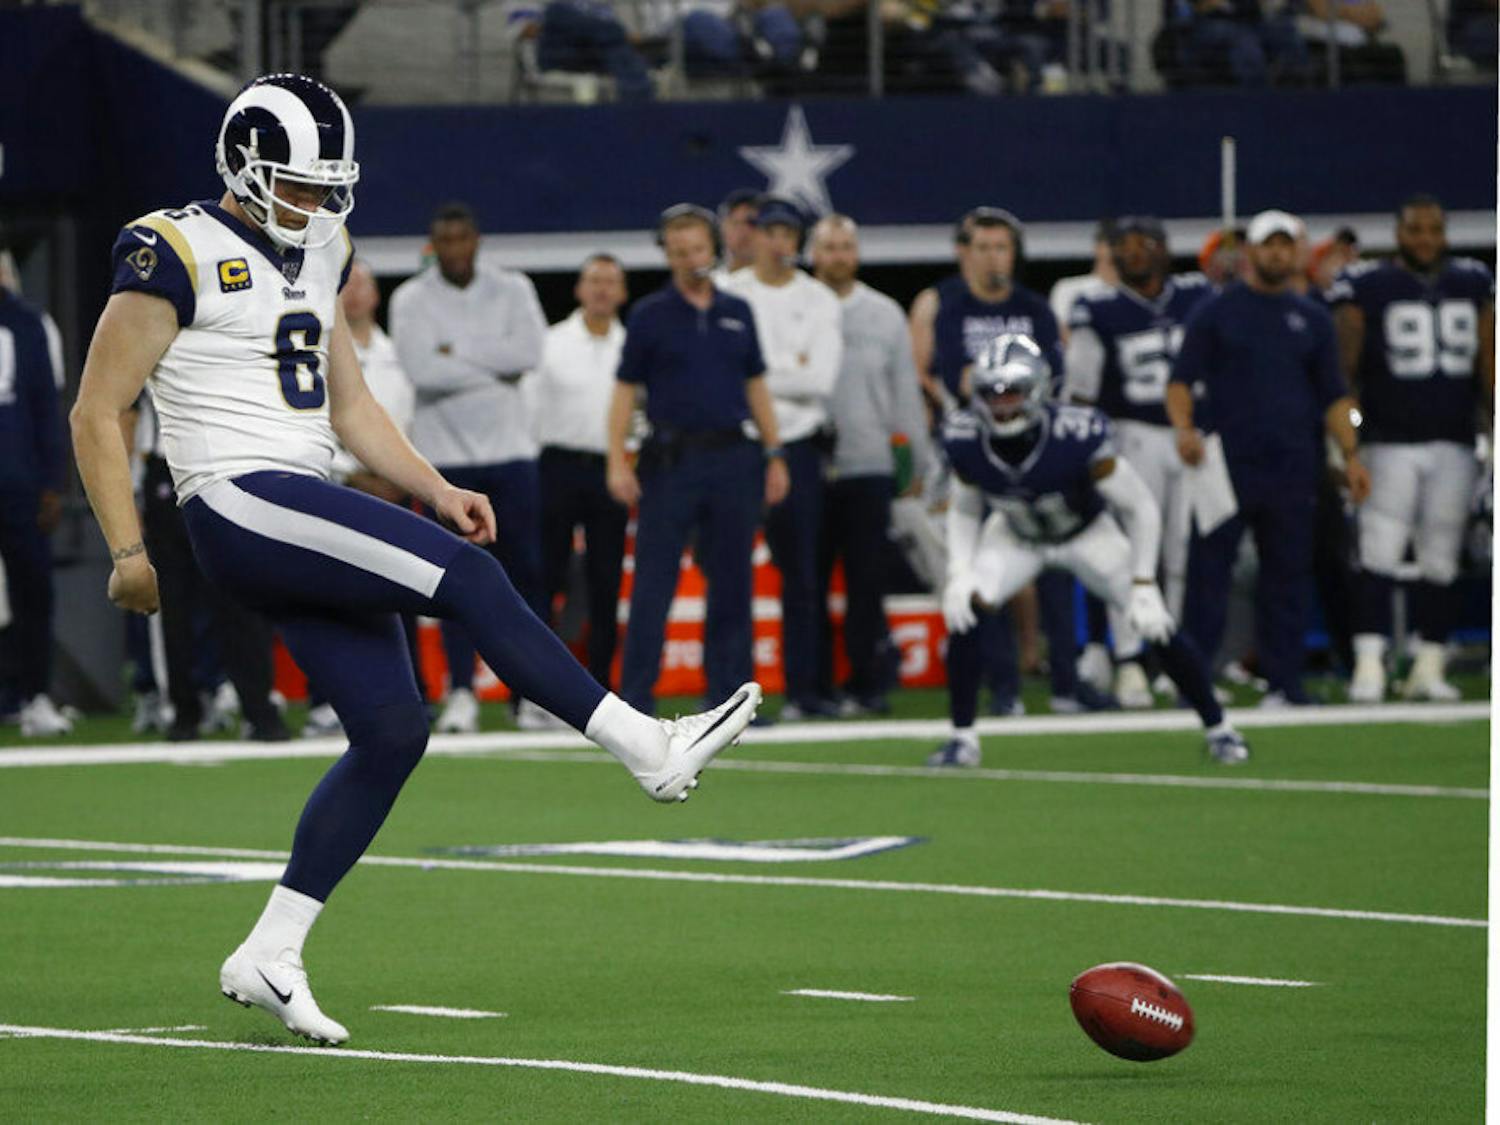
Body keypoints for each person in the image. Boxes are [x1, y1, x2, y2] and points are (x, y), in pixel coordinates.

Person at [70, 74, 762, 1048]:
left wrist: (434, 485)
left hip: (300, 492)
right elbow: (98, 408)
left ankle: (271, 950)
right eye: (294, 183)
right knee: (473, 581)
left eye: (324, 185)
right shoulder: (171, 247)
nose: (311, 203)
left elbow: (348, 404)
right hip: (236, 500)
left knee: (394, 727)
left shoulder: (321, 245)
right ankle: (644, 745)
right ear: (241, 164)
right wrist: (128, 549)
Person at [929, 334, 1249, 766]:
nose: (1002, 404)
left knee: (1154, 624)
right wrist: (960, 571)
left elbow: (1139, 508)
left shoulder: (1075, 433)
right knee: (965, 608)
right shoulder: (965, 436)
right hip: (1015, 535)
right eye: (992, 394)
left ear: (1039, 389)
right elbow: (965, 507)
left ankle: (1221, 729)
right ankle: (962, 738)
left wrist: (1142, 582)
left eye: (1012, 392)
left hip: (1086, 534)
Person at [1168, 208, 1370, 706]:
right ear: (1251, 252)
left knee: (1287, 574)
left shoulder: (1312, 318)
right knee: (1208, 574)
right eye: (1268, 244)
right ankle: (1194, 683)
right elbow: (1179, 380)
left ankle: (1285, 682)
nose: (1277, 253)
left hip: (1292, 463)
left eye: (1286, 244)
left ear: (1297, 251)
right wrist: (1184, 430)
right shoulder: (1217, 311)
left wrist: (1350, 455)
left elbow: (1334, 395)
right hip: (1226, 461)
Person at [910, 206, 1099, 714]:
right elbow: (956, 380)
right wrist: (1019, 381)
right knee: (981, 570)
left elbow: (1053, 376)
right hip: (981, 454)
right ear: (966, 253)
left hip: (1039, 452)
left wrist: (996, 382)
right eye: (985, 247)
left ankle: (1065, 683)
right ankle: (1003, 687)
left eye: (1003, 247)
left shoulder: (1035, 308)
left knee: (1059, 560)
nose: (995, 257)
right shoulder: (953, 309)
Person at [607, 203, 789, 716]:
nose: (690, 258)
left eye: (697, 248)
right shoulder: (649, 315)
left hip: (735, 456)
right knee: (653, 583)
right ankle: (636, 701)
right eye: (679, 250)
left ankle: (730, 701)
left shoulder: (738, 311)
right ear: (667, 255)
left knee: (734, 581)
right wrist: (616, 461)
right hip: (670, 461)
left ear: (714, 248)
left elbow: (756, 384)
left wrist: (775, 454)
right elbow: (624, 390)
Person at [390, 201, 550, 734]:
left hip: (512, 456)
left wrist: (454, 352)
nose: (455, 249)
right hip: (446, 465)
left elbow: (527, 354)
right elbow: (420, 370)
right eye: (445, 241)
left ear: (477, 240)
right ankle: (461, 690)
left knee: (527, 579)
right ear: (433, 246)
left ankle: (531, 695)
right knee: (450, 581)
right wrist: (490, 360)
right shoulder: (411, 298)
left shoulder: (514, 288)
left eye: (463, 238)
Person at [1328, 195, 1494, 702]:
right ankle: (1369, 664)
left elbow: (1489, 360)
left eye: (1434, 229)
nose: (1426, 239)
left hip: (1455, 440)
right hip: (1388, 439)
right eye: (1416, 229)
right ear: (1399, 234)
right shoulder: (1368, 285)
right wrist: (1346, 446)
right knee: (1378, 550)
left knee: (1441, 557)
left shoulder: (1473, 281)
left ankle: (1429, 664)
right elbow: (1345, 369)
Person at [1063, 215, 1214, 708]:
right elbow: (1081, 389)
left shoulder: (1196, 296)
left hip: (1190, 437)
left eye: (1144, 244)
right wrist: (1081, 448)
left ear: (1164, 248)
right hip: (1131, 436)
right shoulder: (1098, 308)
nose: (1135, 254)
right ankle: (1129, 660)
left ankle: (1174, 660)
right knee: (1131, 554)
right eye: (1124, 246)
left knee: (1182, 555)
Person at [720, 197, 843, 719]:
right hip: (739, 446)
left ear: (799, 240)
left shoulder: (819, 299)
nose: (777, 242)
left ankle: (806, 691)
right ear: (754, 236)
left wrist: (759, 379)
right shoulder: (729, 291)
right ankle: (732, 697)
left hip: (799, 450)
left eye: (787, 233)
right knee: (732, 575)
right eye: (768, 231)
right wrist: (778, 374)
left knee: (804, 575)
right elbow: (726, 377)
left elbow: (820, 381)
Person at [809, 213, 932, 714]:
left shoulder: (884, 313)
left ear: (856, 253)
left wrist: (915, 464)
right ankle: (813, 689)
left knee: (866, 581)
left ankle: (867, 684)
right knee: (808, 583)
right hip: (806, 466)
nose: (838, 256)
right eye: (829, 247)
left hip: (870, 464)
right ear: (813, 254)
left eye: (845, 247)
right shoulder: (797, 306)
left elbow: (905, 394)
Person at [133, 389, 291, 742]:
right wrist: (129, 492)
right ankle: (183, 710)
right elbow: (123, 411)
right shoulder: (147, 335)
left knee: (243, 596)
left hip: (232, 463)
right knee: (173, 602)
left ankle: (257, 707)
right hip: (168, 466)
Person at [304, 257, 418, 739]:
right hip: (337, 484)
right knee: (329, 594)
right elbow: (319, 420)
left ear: (375, 294)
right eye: (344, 284)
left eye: (361, 284)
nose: (353, 293)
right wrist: (352, 475)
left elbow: (400, 424)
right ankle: (325, 702)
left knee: (402, 590)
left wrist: (403, 478)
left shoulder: (398, 355)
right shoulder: (308, 349)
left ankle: (407, 696)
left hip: (393, 485)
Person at [532, 254, 631, 688]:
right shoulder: (550, 342)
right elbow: (529, 410)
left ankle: (602, 686)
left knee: (606, 581)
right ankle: (538, 687)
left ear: (623, 292)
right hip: (556, 467)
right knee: (546, 577)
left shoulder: (633, 349)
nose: (602, 289)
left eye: (611, 282)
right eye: (594, 280)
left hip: (611, 470)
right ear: (578, 289)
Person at [0, 271, 70, 735]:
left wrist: (52, 481)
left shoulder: (30, 322)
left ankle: (34, 695)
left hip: (19, 479)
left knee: (33, 590)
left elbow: (48, 402)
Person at [1049, 218, 1119, 343]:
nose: (1116, 250)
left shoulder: (1133, 294)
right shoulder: (1067, 288)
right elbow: (1058, 332)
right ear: (1098, 247)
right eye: (1111, 243)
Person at [714, 188, 762, 280]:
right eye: (735, 223)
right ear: (723, 228)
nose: (743, 232)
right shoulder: (708, 281)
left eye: (752, 224)